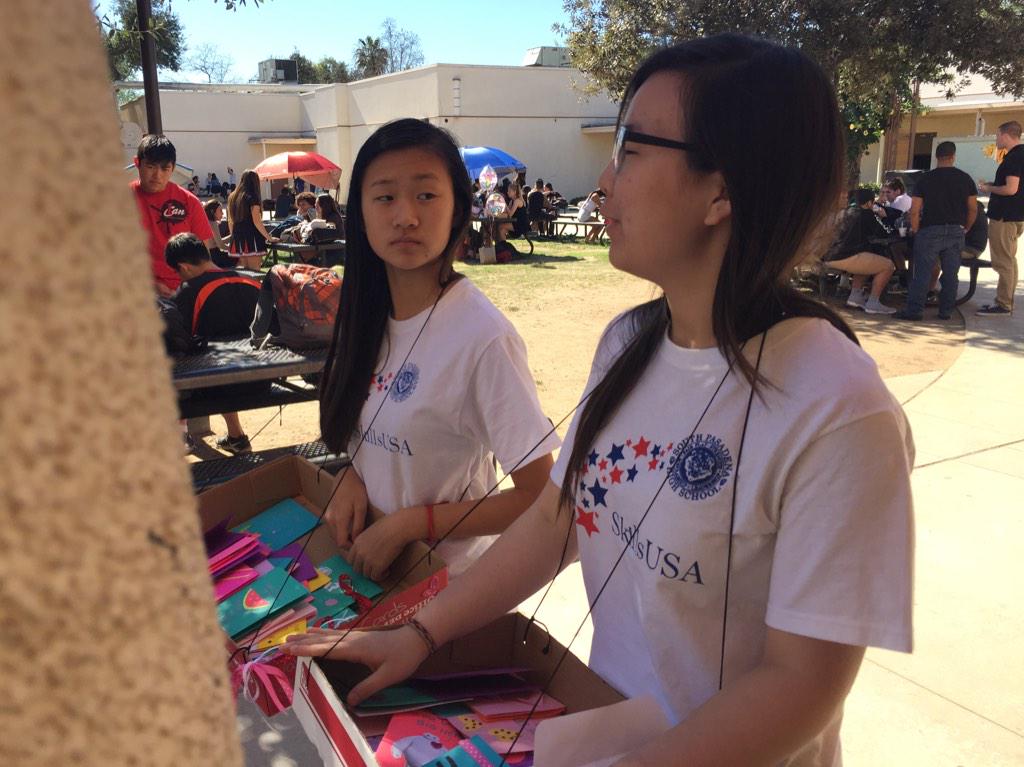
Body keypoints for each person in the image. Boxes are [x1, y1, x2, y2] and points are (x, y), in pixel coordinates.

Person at [286, 35, 914, 766]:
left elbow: (802, 686)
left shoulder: (837, 409)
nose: (604, 182)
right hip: (602, 724)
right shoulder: (630, 343)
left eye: (631, 148)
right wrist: (420, 632)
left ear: (723, 188)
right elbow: (555, 520)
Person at [316, 118, 560, 581]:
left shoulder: (484, 338)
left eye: (426, 195)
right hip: (370, 572)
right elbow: (367, 436)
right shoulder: (364, 317)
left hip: (448, 590)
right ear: (360, 212)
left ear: (457, 210)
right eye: (385, 196)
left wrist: (414, 524)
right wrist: (351, 474)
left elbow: (539, 495)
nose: (405, 216)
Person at [165, 232, 259, 454]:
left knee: (176, 361)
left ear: (184, 267)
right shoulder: (249, 279)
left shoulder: (188, 291)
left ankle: (179, 435)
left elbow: (178, 341)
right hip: (263, 380)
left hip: (212, 386)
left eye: (177, 271)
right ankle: (236, 436)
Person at [895, 141, 977, 321]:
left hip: (930, 230)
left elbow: (915, 209)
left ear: (936, 157)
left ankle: (914, 311)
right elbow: (972, 208)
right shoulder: (965, 178)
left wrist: (915, 229)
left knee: (922, 273)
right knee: (951, 274)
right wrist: (967, 227)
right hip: (956, 230)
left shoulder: (925, 179)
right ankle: (945, 311)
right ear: (953, 156)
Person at [130, 134, 215, 297]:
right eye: (151, 166)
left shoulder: (190, 202)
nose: (157, 175)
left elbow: (203, 258)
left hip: (184, 294)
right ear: (137, 163)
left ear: (173, 168)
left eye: (165, 168)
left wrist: (188, 291)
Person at [976, 120, 1023, 316]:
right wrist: (994, 184)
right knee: (1009, 260)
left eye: (997, 135)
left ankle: (1003, 303)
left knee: (1002, 261)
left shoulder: (1013, 158)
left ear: (1005, 135)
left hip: (1004, 217)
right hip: (1016, 215)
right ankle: (1005, 300)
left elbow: (1011, 189)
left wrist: (988, 188)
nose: (996, 139)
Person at [825, 188, 898, 314]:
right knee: (889, 266)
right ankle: (873, 303)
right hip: (847, 256)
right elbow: (885, 233)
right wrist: (883, 217)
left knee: (869, 261)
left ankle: (855, 297)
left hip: (830, 255)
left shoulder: (846, 212)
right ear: (869, 203)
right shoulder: (867, 214)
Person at [226, 169, 276, 271]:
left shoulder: (232, 197)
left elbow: (230, 220)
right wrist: (269, 238)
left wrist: (234, 237)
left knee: (245, 273)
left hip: (237, 237)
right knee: (254, 271)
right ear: (255, 182)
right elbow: (257, 221)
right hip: (252, 238)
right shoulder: (252, 197)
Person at [203, 198, 233, 268]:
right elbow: (220, 245)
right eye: (220, 210)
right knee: (240, 258)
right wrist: (234, 250)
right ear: (212, 211)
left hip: (209, 255)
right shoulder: (213, 223)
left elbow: (216, 241)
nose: (222, 213)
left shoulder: (207, 221)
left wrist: (231, 236)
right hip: (215, 255)